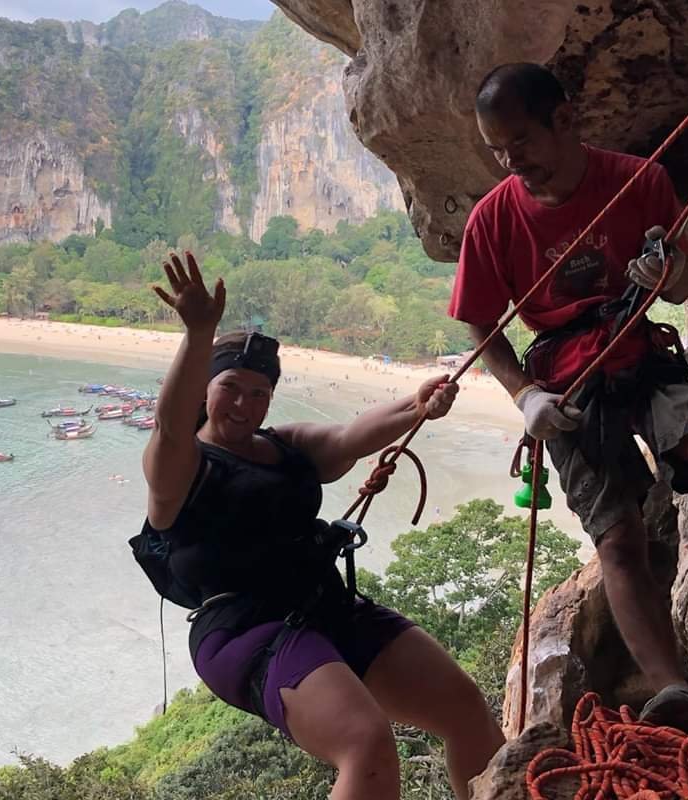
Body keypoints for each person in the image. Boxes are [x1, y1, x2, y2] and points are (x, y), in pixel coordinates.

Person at [449, 62, 688, 731]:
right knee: (618, 538)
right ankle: (672, 688)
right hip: (567, 382)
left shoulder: (639, 180)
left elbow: (682, 286)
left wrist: (667, 272)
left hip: (639, 357)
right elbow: (481, 320)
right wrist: (523, 397)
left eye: (522, 144)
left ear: (564, 120)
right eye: (498, 152)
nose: (514, 163)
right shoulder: (493, 220)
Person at [138, 252, 503, 800]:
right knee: (364, 743)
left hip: (324, 606)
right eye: (230, 387)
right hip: (242, 629)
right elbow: (169, 424)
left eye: (259, 393)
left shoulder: (286, 446)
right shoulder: (181, 465)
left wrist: (417, 406)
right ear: (206, 390)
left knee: (462, 705)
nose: (244, 404)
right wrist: (199, 333)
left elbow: (351, 437)